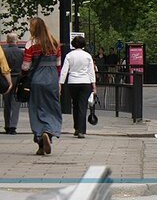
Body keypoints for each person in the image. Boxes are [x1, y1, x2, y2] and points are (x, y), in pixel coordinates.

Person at [21, 17, 62, 155]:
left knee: (36, 109)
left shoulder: (31, 44)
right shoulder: (54, 42)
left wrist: (24, 76)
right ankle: (48, 133)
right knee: (52, 108)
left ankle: (39, 140)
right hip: (52, 79)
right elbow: (58, 65)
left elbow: (26, 66)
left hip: (36, 79)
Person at [59, 36, 97, 139]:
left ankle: (76, 127)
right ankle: (81, 130)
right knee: (82, 106)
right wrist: (93, 85)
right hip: (85, 82)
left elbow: (64, 70)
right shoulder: (88, 56)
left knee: (75, 105)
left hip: (72, 82)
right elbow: (91, 71)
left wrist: (61, 83)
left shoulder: (69, 55)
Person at [2, 33, 23, 134]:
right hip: (18, 78)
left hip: (6, 78)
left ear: (7, 40)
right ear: (17, 40)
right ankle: (13, 126)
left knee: (7, 103)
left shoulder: (4, 51)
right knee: (16, 103)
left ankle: (7, 125)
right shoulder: (21, 52)